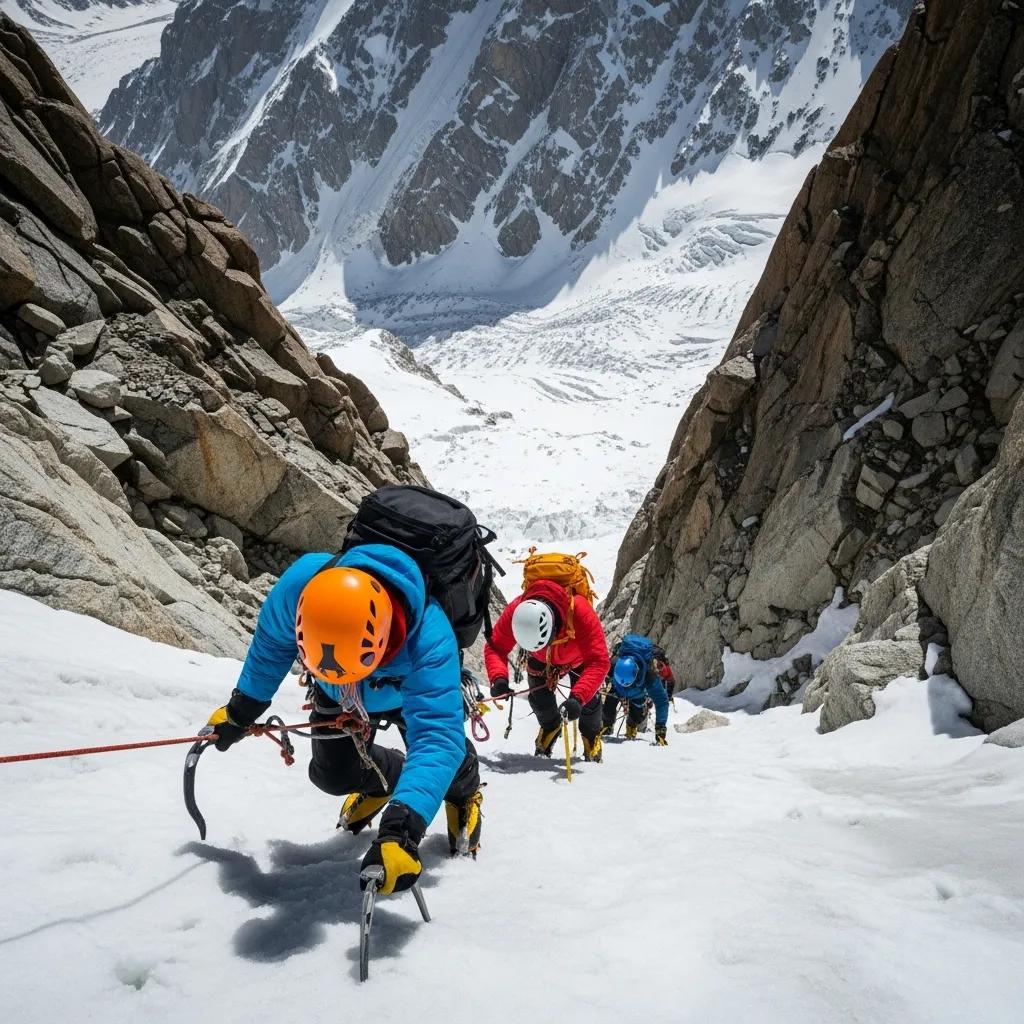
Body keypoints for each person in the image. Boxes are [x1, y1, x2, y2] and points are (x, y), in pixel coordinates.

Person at [204, 543, 483, 896]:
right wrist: (241, 711)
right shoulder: (301, 584)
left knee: (445, 758)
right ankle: (388, 781)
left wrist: (402, 829)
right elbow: (272, 646)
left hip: (403, 692)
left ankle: (463, 788)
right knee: (332, 775)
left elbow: (436, 738)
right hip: (335, 689)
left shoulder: (429, 637)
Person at [484, 579, 610, 763]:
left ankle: (591, 737)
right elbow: (496, 647)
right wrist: (498, 678)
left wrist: (578, 698)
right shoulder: (516, 610)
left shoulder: (578, 610)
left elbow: (598, 661)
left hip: (579, 660)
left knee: (588, 703)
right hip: (541, 658)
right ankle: (550, 726)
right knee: (540, 699)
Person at [601, 634, 670, 746]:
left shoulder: (649, 675)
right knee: (609, 704)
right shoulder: (613, 664)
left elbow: (661, 701)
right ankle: (607, 725)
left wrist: (660, 729)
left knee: (637, 716)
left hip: (637, 692)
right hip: (618, 687)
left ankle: (632, 725)